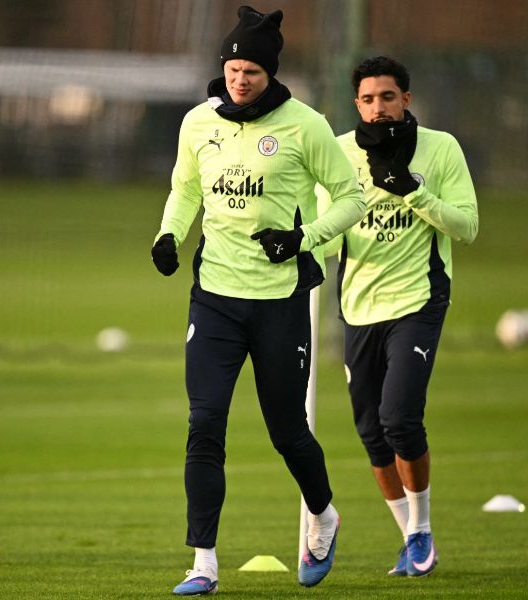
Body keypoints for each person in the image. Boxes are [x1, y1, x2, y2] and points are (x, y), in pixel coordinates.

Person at [151, 6, 366, 596]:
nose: (239, 78)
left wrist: (304, 239)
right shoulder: (198, 122)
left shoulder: (306, 126)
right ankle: (203, 563)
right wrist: (168, 234)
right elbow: (185, 186)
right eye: (232, 67)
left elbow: (351, 200)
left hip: (279, 301)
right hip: (214, 298)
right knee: (204, 424)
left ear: (270, 71)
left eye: (250, 69)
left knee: (286, 430)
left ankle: (323, 515)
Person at [318, 55, 478, 578]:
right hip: (358, 307)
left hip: (418, 299)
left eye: (387, 97)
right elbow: (330, 234)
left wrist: (413, 190)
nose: (377, 107)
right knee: (370, 430)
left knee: (399, 417)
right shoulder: (339, 153)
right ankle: (407, 536)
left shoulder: (442, 147)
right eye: (367, 99)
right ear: (356, 105)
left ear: (405, 100)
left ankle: (421, 527)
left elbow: (467, 227)